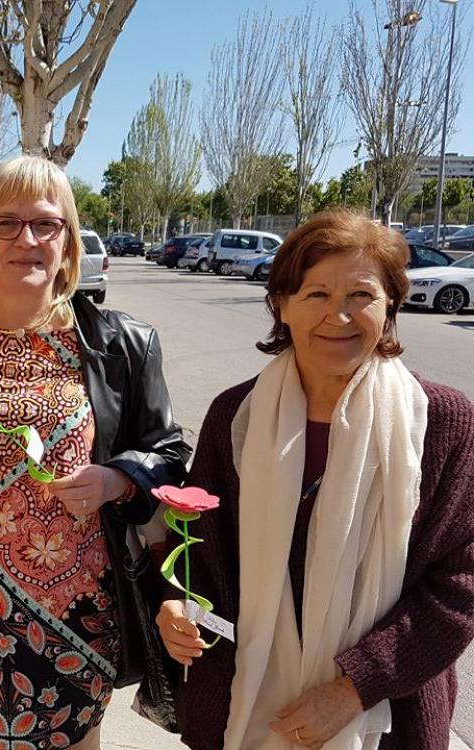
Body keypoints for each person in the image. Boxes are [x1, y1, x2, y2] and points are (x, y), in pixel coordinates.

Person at [0, 155, 191, 750]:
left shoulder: (122, 344)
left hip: (79, 610)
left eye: (45, 224)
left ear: (68, 243)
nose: (26, 239)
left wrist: (117, 480)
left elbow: (168, 454)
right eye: (5, 223)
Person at [157, 210, 474, 750]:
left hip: (384, 718)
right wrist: (175, 604)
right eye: (317, 294)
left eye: (361, 295)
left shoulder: (442, 422)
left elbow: (459, 585)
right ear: (282, 304)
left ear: (391, 306)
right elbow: (199, 550)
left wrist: (355, 688)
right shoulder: (236, 415)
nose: (339, 315)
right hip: (246, 708)